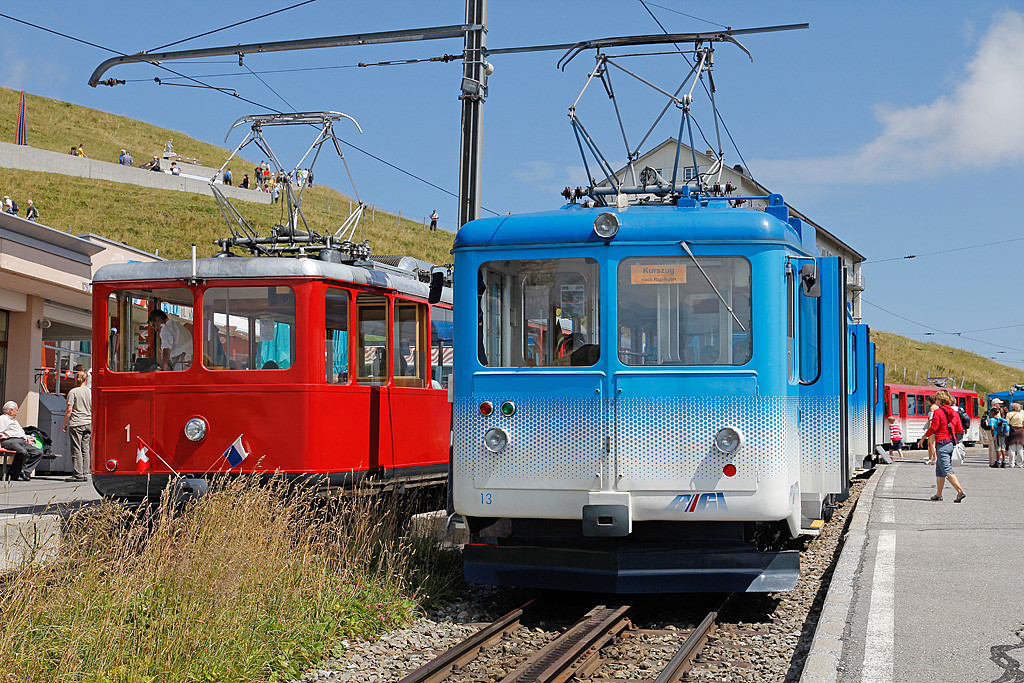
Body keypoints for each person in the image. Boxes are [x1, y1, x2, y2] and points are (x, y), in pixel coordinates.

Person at [918, 389, 966, 502]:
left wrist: (923, 438)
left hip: (942, 444)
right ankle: (938, 494)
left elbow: (933, 428)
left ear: (940, 400)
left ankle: (960, 491)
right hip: (951, 443)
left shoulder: (938, 412)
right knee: (939, 470)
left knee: (946, 469)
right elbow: (959, 429)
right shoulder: (955, 413)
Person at [0, 401, 44, 481]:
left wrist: (25, 437)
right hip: (9, 441)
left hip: (21, 441)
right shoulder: (3, 419)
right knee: (22, 451)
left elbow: (20, 432)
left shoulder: (14, 420)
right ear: (11, 410)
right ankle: (14, 473)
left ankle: (24, 471)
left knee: (38, 452)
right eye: (16, 410)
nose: (17, 412)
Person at [62, 371, 91, 482]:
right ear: (86, 379)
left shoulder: (73, 392)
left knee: (76, 448)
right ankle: (84, 472)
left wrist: (64, 423)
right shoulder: (90, 392)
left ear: (76, 379)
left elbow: (69, 409)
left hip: (77, 423)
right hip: (88, 422)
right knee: (86, 448)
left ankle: (78, 474)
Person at [1007, 403, 1024, 467]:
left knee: (1012, 448)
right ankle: (1020, 463)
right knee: (1020, 448)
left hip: (1012, 431)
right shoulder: (1021, 415)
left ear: (1012, 407)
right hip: (1020, 431)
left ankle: (1011, 463)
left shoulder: (1009, 414)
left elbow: (1007, 423)